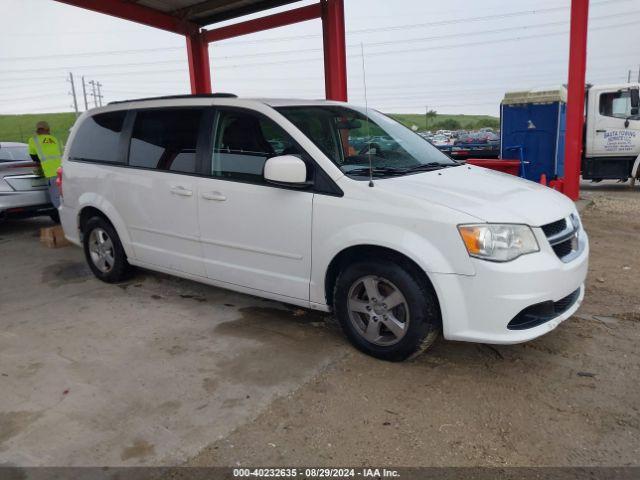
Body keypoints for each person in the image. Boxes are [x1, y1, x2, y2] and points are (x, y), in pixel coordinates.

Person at [28, 121, 63, 214]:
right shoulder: (55, 139)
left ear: (37, 130)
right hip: (63, 171)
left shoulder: (34, 140)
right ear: (48, 129)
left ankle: (64, 219)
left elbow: (33, 156)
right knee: (65, 196)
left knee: (56, 198)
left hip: (50, 173)